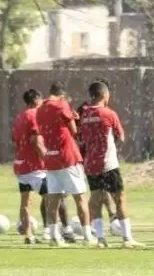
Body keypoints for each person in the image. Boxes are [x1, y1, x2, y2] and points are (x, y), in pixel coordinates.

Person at [79, 81, 139, 248]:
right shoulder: (108, 113)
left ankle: (100, 238)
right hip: (108, 163)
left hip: (91, 164)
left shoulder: (84, 115)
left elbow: (81, 138)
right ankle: (127, 238)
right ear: (105, 95)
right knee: (120, 198)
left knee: (96, 199)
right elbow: (121, 137)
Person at [37, 82, 92, 246]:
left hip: (50, 158)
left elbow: (47, 130)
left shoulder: (40, 109)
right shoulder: (62, 105)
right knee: (80, 198)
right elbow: (74, 131)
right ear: (62, 95)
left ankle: (54, 236)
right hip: (68, 157)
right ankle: (88, 237)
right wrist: (75, 119)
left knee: (53, 200)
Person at [12, 89, 47, 245]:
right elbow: (36, 141)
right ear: (37, 100)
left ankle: (28, 235)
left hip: (22, 165)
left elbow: (15, 139)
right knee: (53, 198)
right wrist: (47, 158)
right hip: (36, 167)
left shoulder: (19, 117)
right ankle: (53, 231)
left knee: (25, 202)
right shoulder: (35, 115)